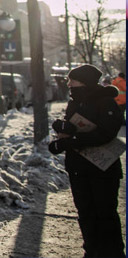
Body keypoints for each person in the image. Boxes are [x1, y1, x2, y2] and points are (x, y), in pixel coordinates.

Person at [48, 64, 125, 258]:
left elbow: (106, 133)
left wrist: (74, 140)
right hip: (78, 167)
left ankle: (112, 253)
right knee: (85, 213)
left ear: (84, 82)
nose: (68, 84)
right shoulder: (75, 102)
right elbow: (74, 127)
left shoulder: (106, 101)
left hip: (102, 169)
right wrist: (64, 131)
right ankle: (91, 251)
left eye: (72, 81)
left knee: (105, 213)